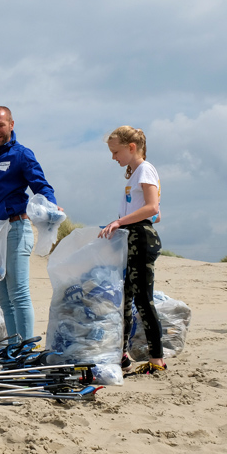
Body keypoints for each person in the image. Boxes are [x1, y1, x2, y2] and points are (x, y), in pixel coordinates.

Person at [0, 106, 56, 343]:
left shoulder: (22, 154)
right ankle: (14, 348)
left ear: (11, 125)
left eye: (0, 125)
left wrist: (51, 207)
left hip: (16, 228)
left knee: (19, 294)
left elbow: (42, 186)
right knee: (4, 299)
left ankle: (25, 350)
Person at [97, 126, 166, 375]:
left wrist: (119, 222)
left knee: (143, 300)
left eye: (116, 152)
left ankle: (157, 359)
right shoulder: (134, 174)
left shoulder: (145, 169)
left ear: (131, 147)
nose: (114, 157)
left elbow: (152, 209)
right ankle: (122, 356)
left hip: (141, 239)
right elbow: (155, 213)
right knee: (124, 299)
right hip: (130, 238)